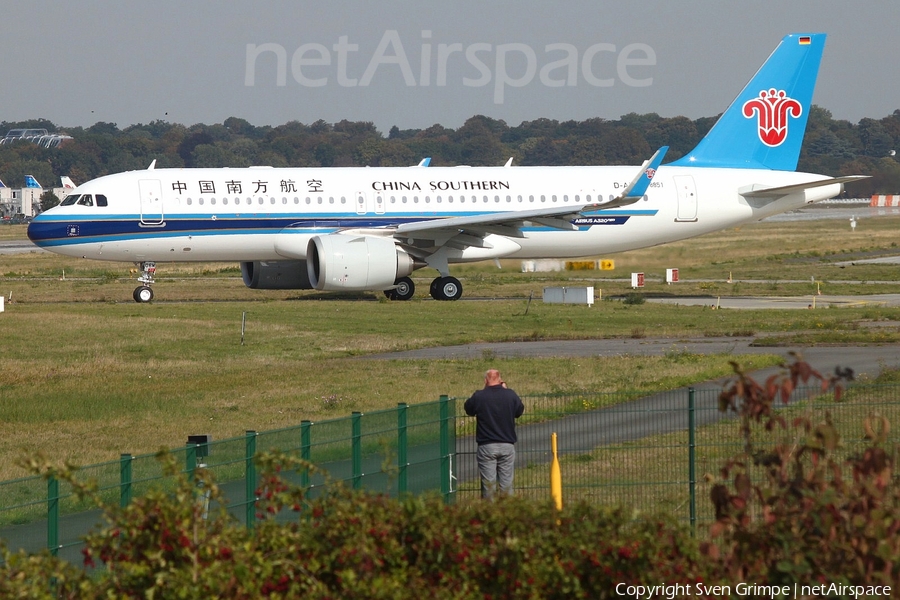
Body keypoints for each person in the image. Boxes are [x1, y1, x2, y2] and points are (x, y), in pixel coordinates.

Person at [464, 369, 525, 499]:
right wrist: (505, 389)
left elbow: (468, 409)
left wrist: (484, 390)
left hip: (486, 445)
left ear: (486, 380)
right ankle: (508, 512)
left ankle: (489, 513)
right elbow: (519, 411)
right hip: (507, 444)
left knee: (488, 485)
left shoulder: (479, 396)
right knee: (506, 484)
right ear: (500, 379)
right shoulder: (510, 395)